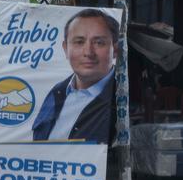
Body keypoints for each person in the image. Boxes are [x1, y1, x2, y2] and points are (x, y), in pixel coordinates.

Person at [32, 8, 118, 143]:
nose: (88, 52)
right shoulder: (56, 93)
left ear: (116, 50)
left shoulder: (122, 100)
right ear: (65, 49)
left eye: (99, 42)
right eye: (79, 42)